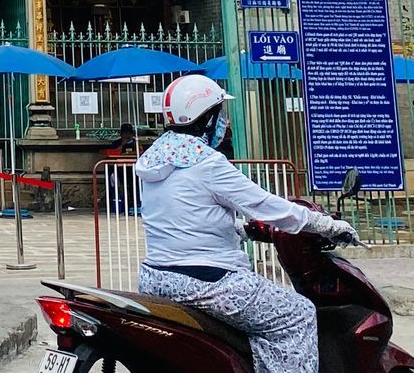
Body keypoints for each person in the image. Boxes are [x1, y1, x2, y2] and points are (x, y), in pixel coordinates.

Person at [136, 74, 356, 373]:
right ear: (207, 117)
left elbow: (181, 215)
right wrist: (325, 224)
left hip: (156, 277)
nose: (224, 121)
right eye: (220, 113)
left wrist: (238, 230)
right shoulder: (207, 163)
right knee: (298, 313)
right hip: (206, 282)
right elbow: (265, 205)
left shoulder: (155, 160)